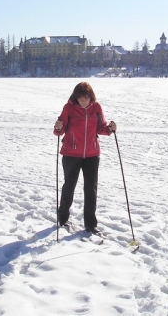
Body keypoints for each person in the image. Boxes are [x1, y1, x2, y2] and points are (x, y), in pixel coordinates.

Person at [53, 81, 116, 234]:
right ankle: (63, 220)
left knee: (91, 189)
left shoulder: (97, 108)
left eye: (86, 97)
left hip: (92, 155)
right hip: (71, 154)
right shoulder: (69, 108)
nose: (83, 100)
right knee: (69, 187)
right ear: (76, 97)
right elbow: (59, 131)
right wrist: (58, 127)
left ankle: (91, 224)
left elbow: (101, 127)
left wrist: (110, 129)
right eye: (80, 97)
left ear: (90, 96)